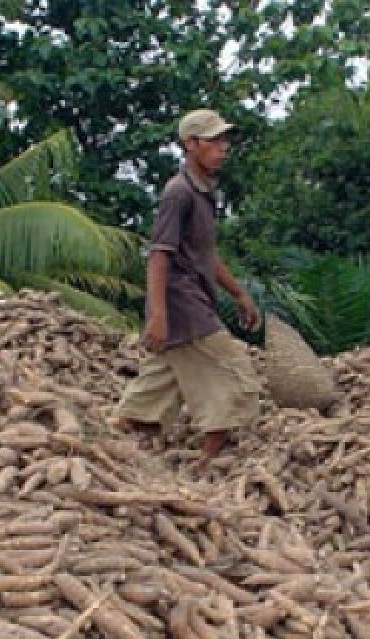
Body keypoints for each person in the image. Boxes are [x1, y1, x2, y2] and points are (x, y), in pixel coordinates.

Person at [111, 108, 262, 473]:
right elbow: (159, 255)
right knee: (232, 367)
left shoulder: (205, 192)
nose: (223, 148)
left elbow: (206, 254)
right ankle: (210, 460)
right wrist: (158, 315)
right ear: (191, 145)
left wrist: (238, 293)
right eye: (214, 141)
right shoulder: (178, 193)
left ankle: (119, 429)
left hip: (193, 298)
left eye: (224, 140)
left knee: (165, 375)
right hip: (181, 303)